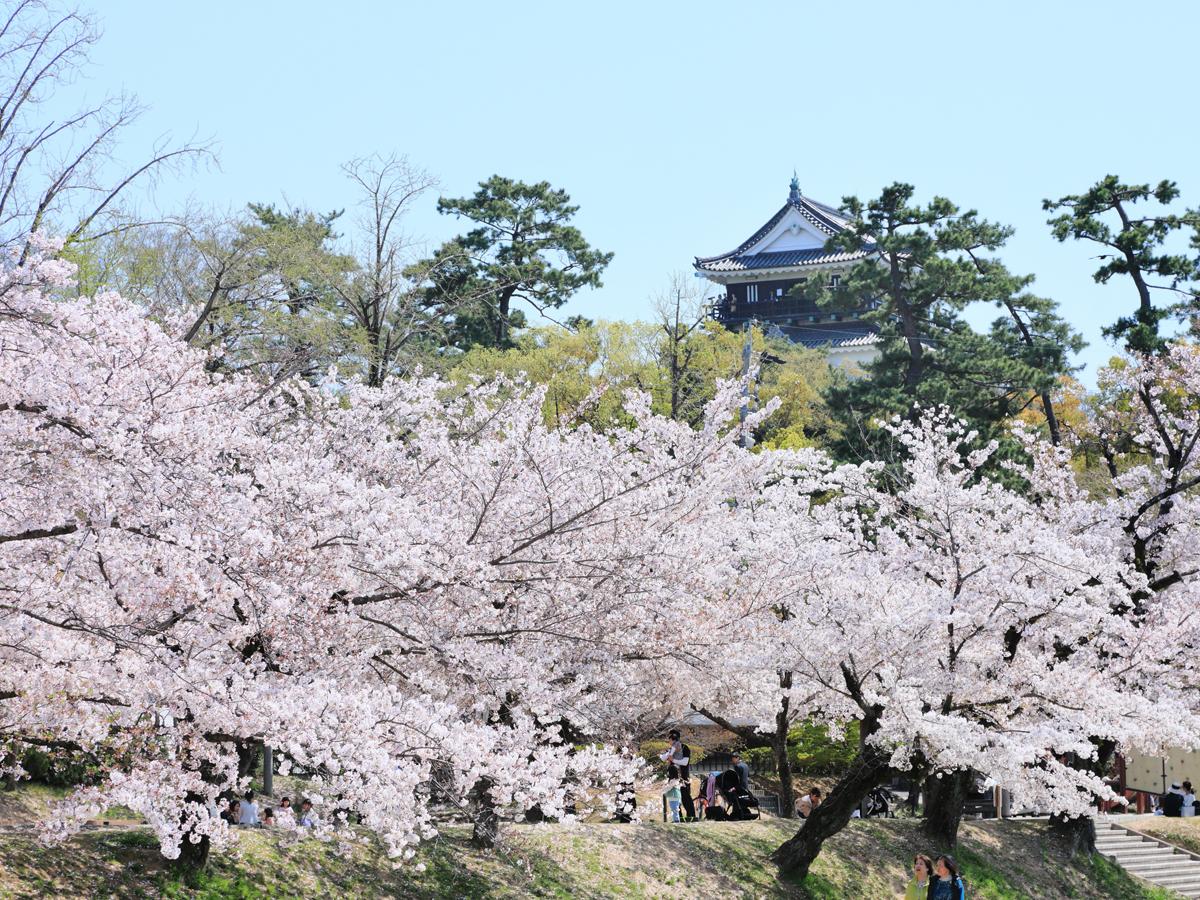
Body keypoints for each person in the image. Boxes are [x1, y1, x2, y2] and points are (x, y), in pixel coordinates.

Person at [664, 729, 695, 821]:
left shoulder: (685, 748)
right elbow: (665, 759)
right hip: (673, 777)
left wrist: (673, 760)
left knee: (685, 797)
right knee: (675, 798)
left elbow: (685, 762)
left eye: (671, 738)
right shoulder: (670, 750)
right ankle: (679, 817)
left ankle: (691, 817)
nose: (670, 740)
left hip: (683, 777)